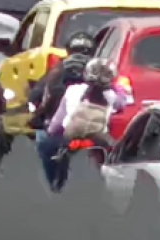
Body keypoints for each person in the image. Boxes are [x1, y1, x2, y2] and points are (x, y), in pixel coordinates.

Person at [45, 58, 133, 190]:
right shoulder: (112, 96)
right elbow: (124, 102)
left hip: (70, 137)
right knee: (116, 157)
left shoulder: (73, 90)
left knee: (55, 155)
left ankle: (56, 184)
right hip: (98, 138)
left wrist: (51, 130)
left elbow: (56, 125)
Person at [28, 33, 95, 186]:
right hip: (92, 132)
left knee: (44, 146)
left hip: (56, 132)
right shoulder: (102, 72)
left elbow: (35, 97)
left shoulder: (55, 72)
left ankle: (50, 183)